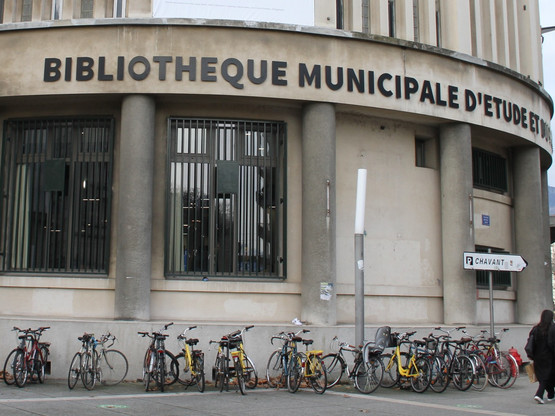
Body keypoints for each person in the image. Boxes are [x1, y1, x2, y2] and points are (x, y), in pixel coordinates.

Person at [527, 309, 555, 404]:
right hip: (549, 356)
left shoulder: (536, 329)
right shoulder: (552, 328)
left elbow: (531, 342)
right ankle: (539, 394)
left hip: (537, 356)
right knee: (546, 376)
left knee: (544, 376)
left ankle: (551, 394)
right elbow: (552, 343)